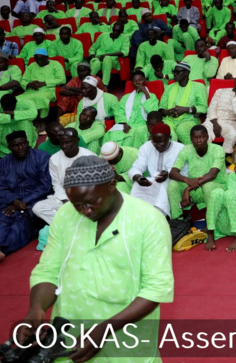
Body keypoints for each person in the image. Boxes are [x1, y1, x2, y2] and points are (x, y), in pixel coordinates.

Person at [18, 155, 173, 362]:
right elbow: (48, 270)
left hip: (125, 340)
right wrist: (36, 308)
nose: (83, 211)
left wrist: (105, 329)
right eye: (76, 204)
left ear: (111, 185)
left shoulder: (148, 220)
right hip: (70, 336)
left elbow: (156, 288)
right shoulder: (65, 215)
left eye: (91, 203)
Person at [0, 131, 51, 261]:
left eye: (23, 143)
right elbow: (1, 187)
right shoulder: (4, 162)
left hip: (34, 200)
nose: (21, 147)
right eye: (16, 145)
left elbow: (45, 186)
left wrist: (21, 202)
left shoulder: (42, 157)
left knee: (20, 220)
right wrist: (13, 200)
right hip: (10, 201)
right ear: (9, 148)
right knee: (5, 216)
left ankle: (3, 249)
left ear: (28, 143)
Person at [32, 128, 95, 224]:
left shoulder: (90, 157)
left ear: (77, 140)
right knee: (38, 208)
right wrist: (65, 200)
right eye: (61, 143)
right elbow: (56, 183)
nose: (64, 146)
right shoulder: (54, 159)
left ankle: (71, 223)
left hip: (86, 198)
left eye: (68, 142)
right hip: (64, 198)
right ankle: (66, 225)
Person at [168, 125, 226, 218]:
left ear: (207, 137)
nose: (199, 140)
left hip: (215, 187)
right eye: (195, 138)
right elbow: (172, 173)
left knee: (208, 186)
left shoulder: (217, 150)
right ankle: (178, 221)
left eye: (202, 137)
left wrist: (188, 188)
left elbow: (212, 174)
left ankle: (211, 223)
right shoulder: (187, 149)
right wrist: (187, 181)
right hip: (195, 187)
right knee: (173, 184)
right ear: (191, 139)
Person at [129, 123, 184, 217]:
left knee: (163, 186)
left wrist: (168, 174)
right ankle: (137, 216)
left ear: (170, 137)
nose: (157, 145)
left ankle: (160, 217)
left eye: (161, 142)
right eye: (154, 142)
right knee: (137, 185)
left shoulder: (180, 149)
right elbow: (137, 167)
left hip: (173, 182)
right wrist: (138, 177)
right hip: (152, 180)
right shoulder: (146, 147)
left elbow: (185, 173)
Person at [202, 72, 236, 155]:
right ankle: (206, 156)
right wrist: (215, 124)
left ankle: (223, 156)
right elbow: (211, 109)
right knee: (203, 132)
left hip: (230, 122)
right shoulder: (220, 91)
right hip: (213, 120)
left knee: (232, 135)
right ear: (235, 79)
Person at [159, 62, 208, 142]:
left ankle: (189, 152)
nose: (175, 74)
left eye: (177, 72)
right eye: (174, 72)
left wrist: (186, 110)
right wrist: (168, 111)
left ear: (186, 72)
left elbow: (203, 108)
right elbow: (161, 108)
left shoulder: (199, 87)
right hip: (169, 120)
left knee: (181, 130)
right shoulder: (169, 87)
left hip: (189, 120)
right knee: (168, 133)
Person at [20, 48, 66, 126]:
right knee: (19, 99)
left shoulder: (56, 64)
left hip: (48, 90)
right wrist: (29, 84)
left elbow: (62, 79)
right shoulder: (32, 66)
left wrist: (44, 83)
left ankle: (42, 121)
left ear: (47, 57)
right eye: (36, 60)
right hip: (31, 91)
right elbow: (23, 80)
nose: (39, 62)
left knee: (41, 98)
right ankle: (26, 120)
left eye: (41, 59)